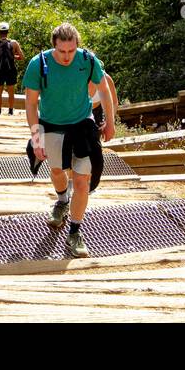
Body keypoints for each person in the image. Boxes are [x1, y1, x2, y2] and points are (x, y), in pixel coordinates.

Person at [23, 22, 115, 258]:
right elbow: (31, 103)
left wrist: (110, 121)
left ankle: (75, 231)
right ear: (54, 46)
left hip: (82, 125)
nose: (66, 57)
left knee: (83, 180)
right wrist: (37, 138)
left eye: (71, 51)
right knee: (56, 171)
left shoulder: (88, 61)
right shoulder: (38, 64)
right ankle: (62, 200)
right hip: (52, 125)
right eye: (62, 51)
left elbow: (104, 89)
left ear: (77, 47)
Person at [0, 22, 25, 115]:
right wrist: (12, 56)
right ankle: (11, 111)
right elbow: (22, 57)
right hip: (10, 70)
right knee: (11, 92)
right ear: (8, 32)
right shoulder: (14, 43)